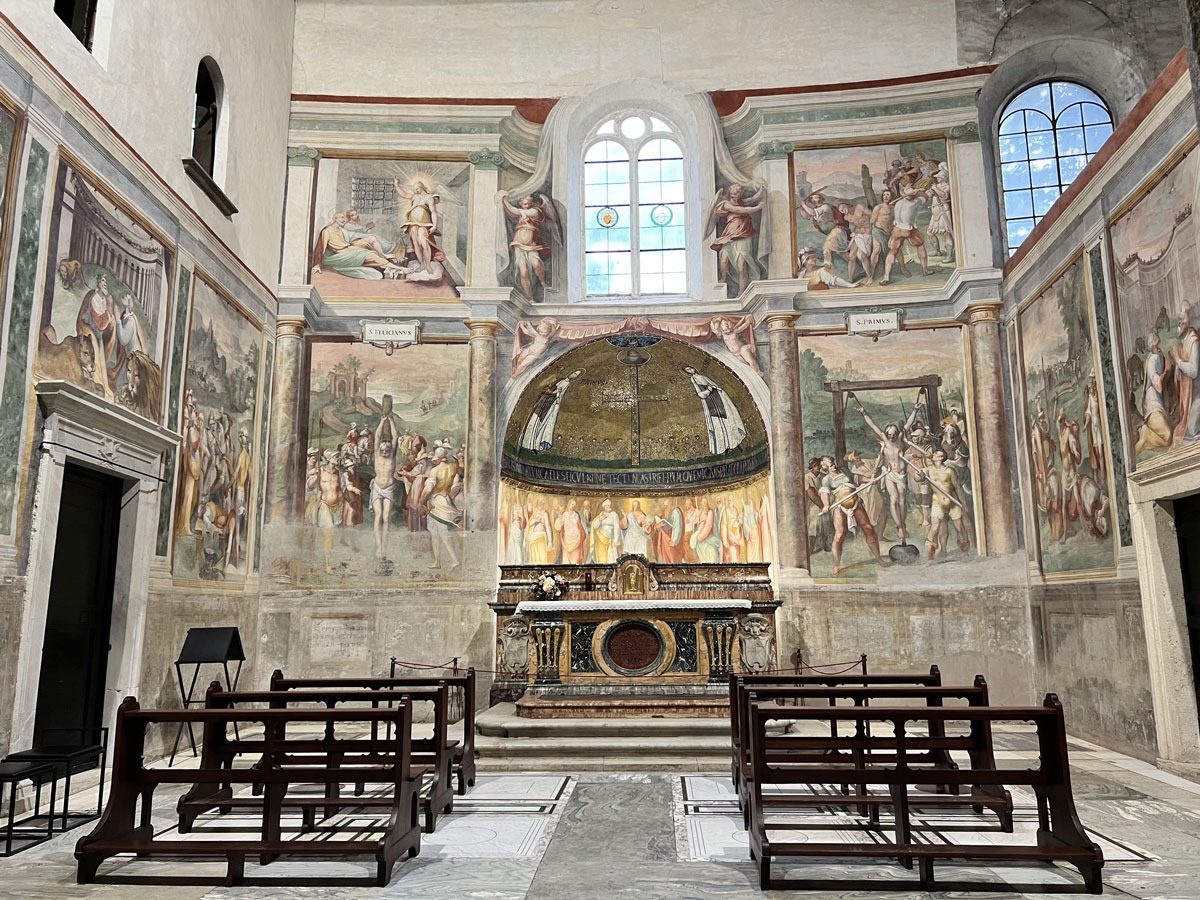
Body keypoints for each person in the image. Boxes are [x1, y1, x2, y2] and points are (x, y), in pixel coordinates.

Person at [852, 388, 924, 540]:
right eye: (889, 435)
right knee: (894, 499)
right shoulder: (884, 439)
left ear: (897, 433)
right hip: (889, 473)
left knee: (902, 500)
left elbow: (909, 422)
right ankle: (899, 527)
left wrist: (915, 410)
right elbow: (873, 425)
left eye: (894, 434)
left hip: (901, 473)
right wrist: (864, 413)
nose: (891, 437)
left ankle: (903, 525)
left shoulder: (900, 438)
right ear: (886, 434)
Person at [818, 456, 889, 576]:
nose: (834, 466)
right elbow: (824, 493)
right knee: (839, 535)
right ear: (826, 468)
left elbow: (857, 478)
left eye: (833, 464)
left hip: (855, 503)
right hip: (840, 507)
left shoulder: (844, 471)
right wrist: (825, 505)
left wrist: (869, 480)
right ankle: (836, 565)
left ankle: (878, 558)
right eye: (830, 466)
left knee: (869, 528)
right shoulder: (827, 479)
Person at [707, 183, 767, 293]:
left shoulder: (741, 202)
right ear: (730, 192)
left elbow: (753, 198)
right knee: (724, 259)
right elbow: (742, 211)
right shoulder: (726, 204)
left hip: (743, 235)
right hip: (729, 236)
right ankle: (723, 278)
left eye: (738, 192)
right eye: (734, 192)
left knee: (741, 265)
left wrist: (761, 190)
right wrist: (758, 207)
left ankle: (741, 291)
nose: (736, 194)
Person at [311, 212, 402, 280]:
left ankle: (382, 255)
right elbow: (321, 247)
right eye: (342, 217)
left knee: (372, 238)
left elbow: (353, 235)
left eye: (344, 217)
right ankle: (399, 268)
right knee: (369, 255)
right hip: (341, 254)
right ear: (335, 218)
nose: (344, 219)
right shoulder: (327, 231)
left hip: (349, 248)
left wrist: (368, 235)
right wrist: (317, 264)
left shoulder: (340, 230)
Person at [684, 365, 747, 454]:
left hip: (719, 399)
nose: (690, 370)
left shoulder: (703, 376)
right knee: (718, 424)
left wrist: (715, 388)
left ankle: (735, 443)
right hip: (710, 403)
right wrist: (708, 391)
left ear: (693, 367)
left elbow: (717, 386)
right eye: (687, 370)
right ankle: (724, 445)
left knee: (728, 420)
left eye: (690, 368)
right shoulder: (693, 379)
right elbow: (700, 394)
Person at [502, 193, 555, 299]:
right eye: (524, 204)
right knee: (524, 271)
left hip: (531, 245)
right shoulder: (521, 213)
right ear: (520, 204)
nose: (526, 206)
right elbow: (512, 210)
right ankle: (530, 297)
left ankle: (543, 282)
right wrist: (504, 201)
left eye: (528, 204)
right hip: (519, 245)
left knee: (536, 264)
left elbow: (515, 211)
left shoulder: (535, 211)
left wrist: (505, 201)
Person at [880, 186, 934, 285]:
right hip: (908, 229)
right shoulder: (915, 202)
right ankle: (925, 270)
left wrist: (914, 192)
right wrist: (919, 190)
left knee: (893, 251)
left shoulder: (898, 203)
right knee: (920, 245)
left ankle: (886, 277)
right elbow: (926, 196)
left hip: (897, 229)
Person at [923, 449, 970, 561]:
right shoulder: (928, 470)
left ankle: (965, 552)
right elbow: (918, 478)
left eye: (936, 454)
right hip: (938, 503)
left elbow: (957, 487)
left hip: (952, 503)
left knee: (959, 528)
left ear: (941, 457)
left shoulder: (949, 471)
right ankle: (932, 557)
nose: (933, 454)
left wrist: (963, 503)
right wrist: (918, 475)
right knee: (935, 528)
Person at [421, 447, 463, 569]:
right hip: (445, 498)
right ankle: (437, 562)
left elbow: (428, 488)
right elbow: (460, 470)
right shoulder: (453, 467)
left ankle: (454, 559)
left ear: (438, 458)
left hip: (436, 501)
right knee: (434, 532)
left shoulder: (435, 470)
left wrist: (420, 502)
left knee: (442, 531)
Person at [393, 177, 445, 277]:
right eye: (414, 189)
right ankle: (421, 264)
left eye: (417, 188)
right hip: (412, 223)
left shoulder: (429, 198)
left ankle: (428, 265)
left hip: (424, 224)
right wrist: (396, 185)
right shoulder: (414, 197)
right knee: (415, 244)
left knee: (424, 244)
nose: (415, 190)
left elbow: (433, 212)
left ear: (422, 187)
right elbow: (404, 194)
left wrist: (434, 225)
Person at [520, 369, 583, 452]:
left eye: (576, 375)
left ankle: (535, 445)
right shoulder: (560, 381)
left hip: (550, 406)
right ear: (571, 372)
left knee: (542, 426)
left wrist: (557, 398)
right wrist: (554, 392)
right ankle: (527, 444)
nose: (574, 375)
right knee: (534, 422)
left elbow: (559, 395)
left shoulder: (566, 385)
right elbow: (551, 390)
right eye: (574, 373)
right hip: (543, 404)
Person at [371, 395, 399, 561]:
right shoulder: (377, 454)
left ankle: (385, 547)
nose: (384, 452)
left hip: (388, 488)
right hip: (377, 487)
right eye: (382, 450)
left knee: (386, 518)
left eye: (387, 450)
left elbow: (395, 438)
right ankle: (378, 547)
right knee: (378, 516)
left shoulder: (392, 455)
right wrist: (382, 422)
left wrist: (391, 421)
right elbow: (376, 437)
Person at [1136, 332, 1173, 456]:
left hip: (1158, 401)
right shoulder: (1152, 360)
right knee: (1167, 437)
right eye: (1153, 337)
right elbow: (1157, 385)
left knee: (1168, 437)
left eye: (1155, 335)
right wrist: (1167, 370)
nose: (1155, 336)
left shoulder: (1159, 354)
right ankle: (1146, 433)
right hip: (1152, 403)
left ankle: (1147, 436)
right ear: (1151, 344)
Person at [1173, 311, 1200, 445]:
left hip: (1197, 394)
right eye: (1179, 320)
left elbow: (1194, 372)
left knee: (1191, 432)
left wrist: (1178, 361)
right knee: (1183, 433)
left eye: (1182, 319)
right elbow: (1179, 377)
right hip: (1188, 396)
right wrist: (1178, 366)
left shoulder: (1194, 342)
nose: (1179, 322)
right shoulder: (1183, 343)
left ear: (1189, 320)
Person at [590, 499, 625, 563]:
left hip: (611, 539)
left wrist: (616, 540)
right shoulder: (601, 515)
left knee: (611, 557)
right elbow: (595, 526)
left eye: (609, 505)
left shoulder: (614, 514)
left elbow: (617, 528)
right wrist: (599, 520)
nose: (608, 507)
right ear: (604, 507)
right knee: (602, 558)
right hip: (601, 539)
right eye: (607, 506)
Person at [690, 496, 722, 563]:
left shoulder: (710, 513)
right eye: (703, 503)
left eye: (705, 502)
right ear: (700, 504)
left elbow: (707, 528)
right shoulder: (700, 513)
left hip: (709, 542)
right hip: (700, 545)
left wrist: (699, 537)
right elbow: (695, 526)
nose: (704, 504)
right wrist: (695, 523)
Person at [556, 498, 587, 564]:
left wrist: (582, 535)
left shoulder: (576, 515)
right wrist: (560, 517)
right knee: (566, 561)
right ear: (569, 504)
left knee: (575, 560)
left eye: (574, 505)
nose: (573, 506)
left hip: (576, 540)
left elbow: (580, 526)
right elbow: (559, 526)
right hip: (566, 540)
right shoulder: (564, 515)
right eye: (572, 504)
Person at [653, 499, 685, 563]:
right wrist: (657, 526)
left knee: (672, 560)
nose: (666, 507)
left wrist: (675, 541)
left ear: (671, 504)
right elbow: (660, 526)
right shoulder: (665, 512)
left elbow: (678, 526)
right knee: (662, 559)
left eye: (667, 505)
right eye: (665, 506)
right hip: (664, 541)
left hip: (670, 540)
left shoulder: (676, 512)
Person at [526, 497, 554, 565]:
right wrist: (535, 520)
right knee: (534, 558)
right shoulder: (535, 512)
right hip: (533, 538)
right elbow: (530, 523)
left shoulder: (545, 514)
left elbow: (548, 527)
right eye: (539, 502)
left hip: (541, 538)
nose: (541, 504)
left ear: (544, 504)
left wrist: (550, 542)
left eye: (542, 503)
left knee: (542, 558)